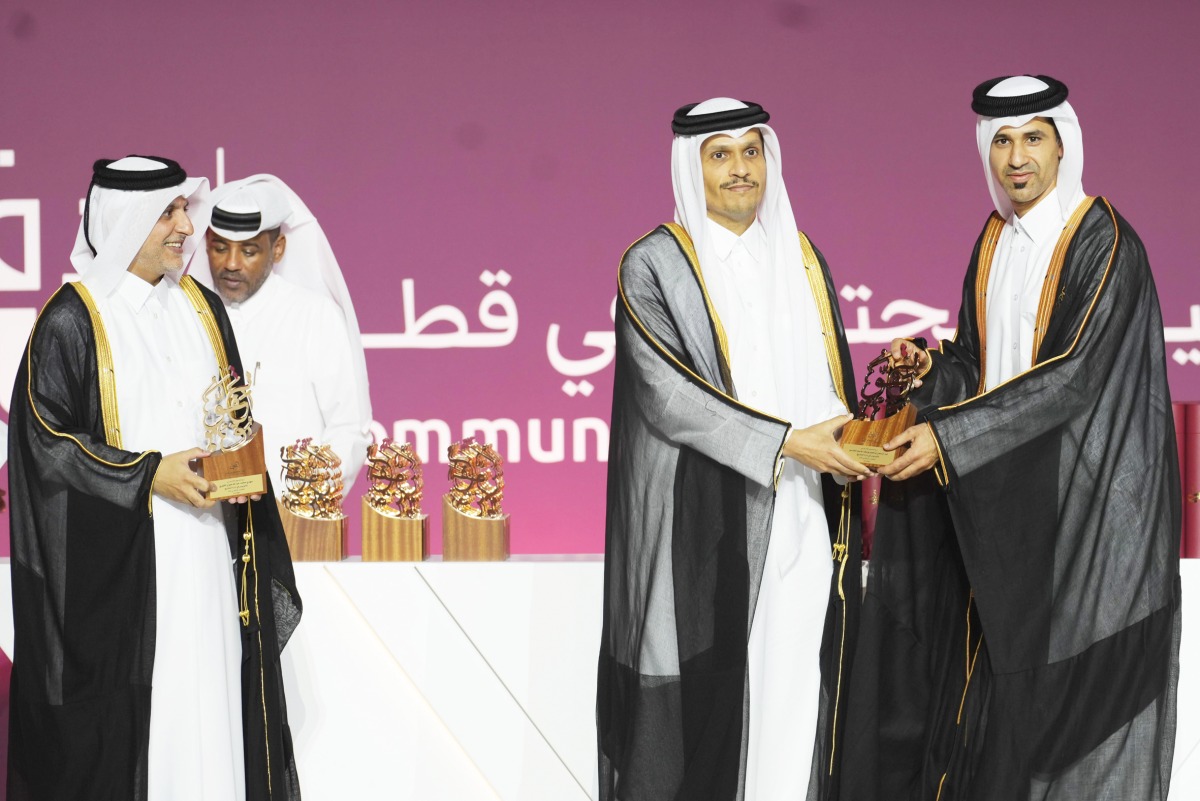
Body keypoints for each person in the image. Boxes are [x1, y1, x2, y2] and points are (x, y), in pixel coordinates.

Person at [841, 75, 1181, 800]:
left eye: (1032, 137)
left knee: (1064, 724)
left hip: (1079, 523)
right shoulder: (995, 239)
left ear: (1063, 145)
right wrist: (931, 368)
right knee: (991, 717)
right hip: (999, 513)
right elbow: (982, 361)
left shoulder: (1105, 243)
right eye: (1001, 140)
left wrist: (948, 439)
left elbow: (1072, 376)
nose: (1016, 156)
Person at [6, 156, 302, 801]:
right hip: (127, 574)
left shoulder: (201, 306)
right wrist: (147, 476)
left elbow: (233, 414)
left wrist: (237, 466)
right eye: (168, 213)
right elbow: (43, 441)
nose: (184, 228)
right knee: (153, 725)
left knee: (215, 711)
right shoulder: (74, 318)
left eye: (182, 211)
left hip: (207, 555)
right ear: (124, 221)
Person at [597, 98, 868, 801]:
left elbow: (828, 378)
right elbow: (668, 395)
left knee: (795, 692)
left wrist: (860, 434)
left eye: (752, 152)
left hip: (805, 514)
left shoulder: (803, 257)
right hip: (710, 529)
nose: (740, 170)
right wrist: (784, 443)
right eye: (721, 155)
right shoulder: (653, 265)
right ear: (692, 167)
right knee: (714, 709)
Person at [190, 175, 372, 493]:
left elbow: (349, 429)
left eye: (248, 252)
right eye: (220, 248)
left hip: (293, 521)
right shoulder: (186, 316)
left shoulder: (315, 316)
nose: (231, 264)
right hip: (203, 518)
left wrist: (302, 502)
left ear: (278, 249)